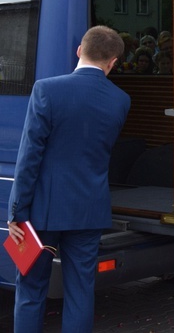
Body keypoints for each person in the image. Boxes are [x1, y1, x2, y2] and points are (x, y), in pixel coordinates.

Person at [8, 25, 131, 332]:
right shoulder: (121, 100)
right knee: (80, 292)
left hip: (42, 213)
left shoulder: (47, 90)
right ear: (112, 62)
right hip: (89, 211)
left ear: (79, 50)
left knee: (31, 290)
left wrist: (16, 212)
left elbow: (29, 157)